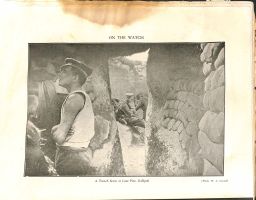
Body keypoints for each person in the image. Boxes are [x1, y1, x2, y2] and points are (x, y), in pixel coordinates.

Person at [51, 58, 95, 176]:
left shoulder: (73, 99)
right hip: (82, 154)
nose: (59, 74)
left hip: (70, 157)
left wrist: (54, 130)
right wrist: (60, 127)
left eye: (64, 71)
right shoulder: (83, 96)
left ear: (75, 78)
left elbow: (60, 138)